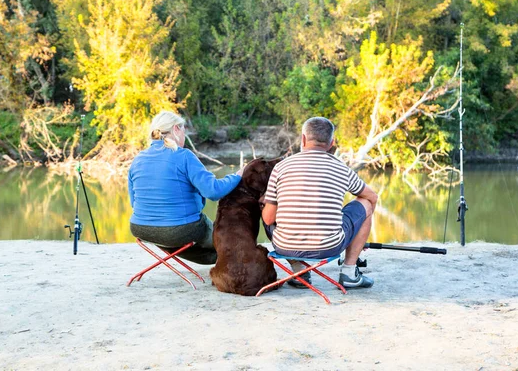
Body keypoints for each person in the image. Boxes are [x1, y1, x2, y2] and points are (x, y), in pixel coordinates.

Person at [262, 117, 378, 288]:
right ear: (331, 143)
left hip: (284, 246)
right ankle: (349, 271)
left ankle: (298, 269)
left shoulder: (281, 167)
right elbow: (372, 197)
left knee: (267, 210)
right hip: (329, 247)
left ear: (302, 139)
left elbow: (268, 220)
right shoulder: (341, 169)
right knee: (365, 203)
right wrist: (359, 235)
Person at [128, 111, 242, 264]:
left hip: (141, 229)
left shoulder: (138, 159)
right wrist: (238, 175)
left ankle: (219, 259)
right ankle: (226, 259)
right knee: (231, 242)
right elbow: (214, 191)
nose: (184, 135)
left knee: (179, 238)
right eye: (183, 130)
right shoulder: (184, 156)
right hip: (180, 230)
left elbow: (133, 203)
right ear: (176, 129)